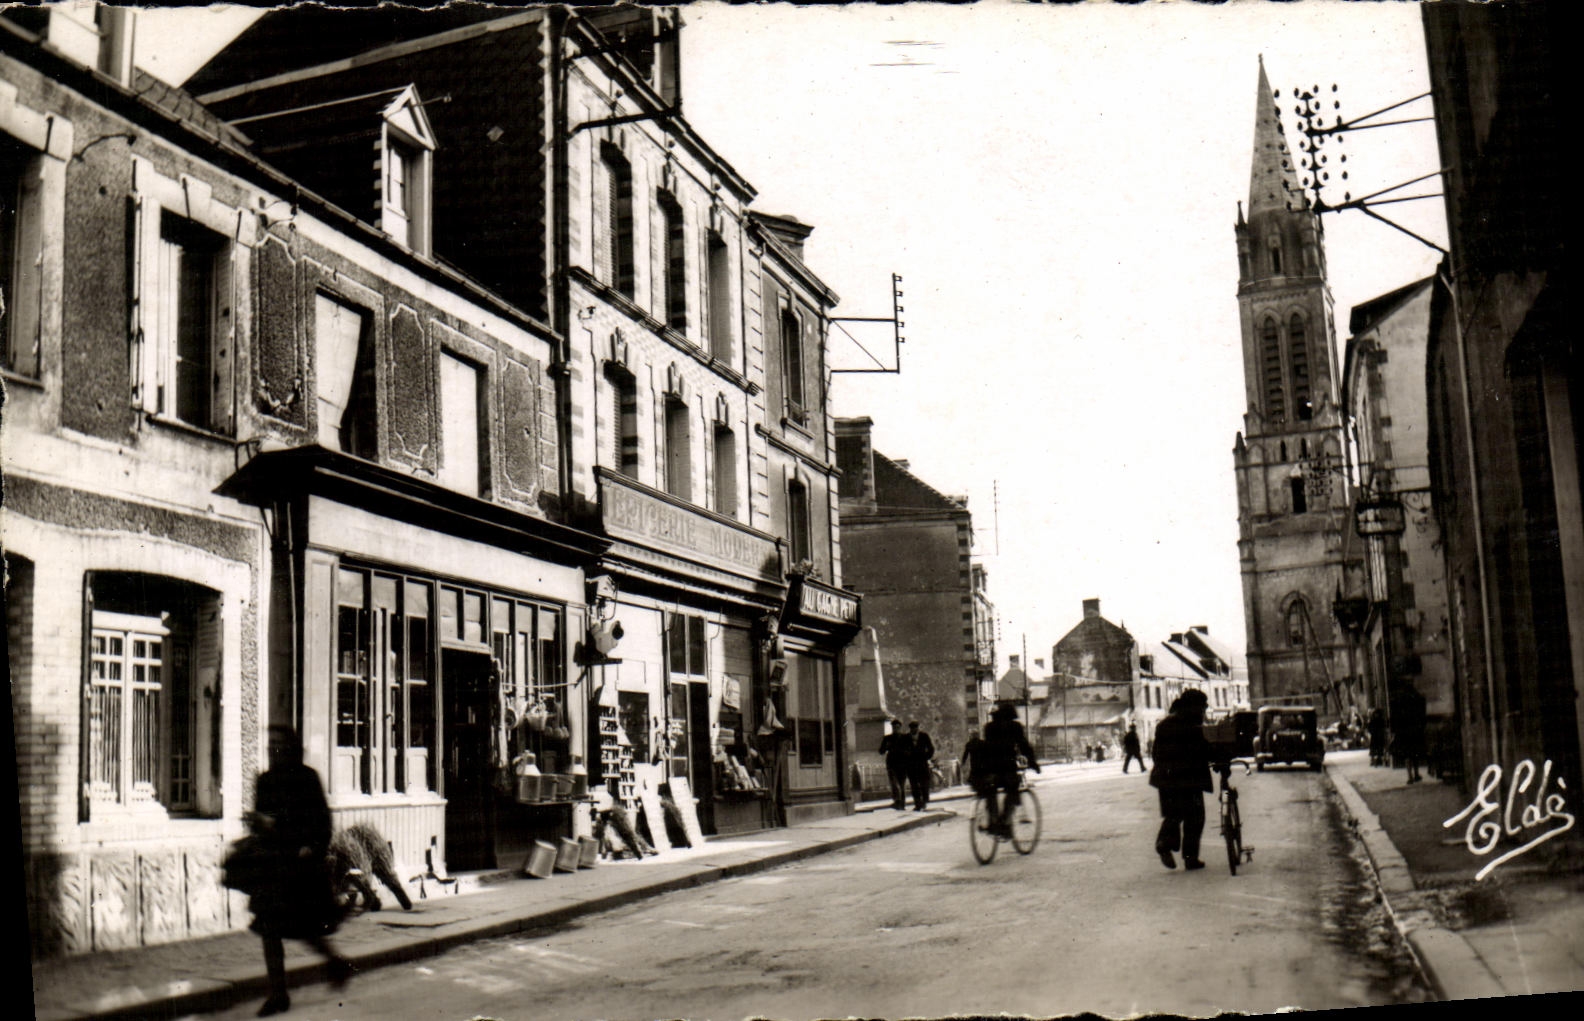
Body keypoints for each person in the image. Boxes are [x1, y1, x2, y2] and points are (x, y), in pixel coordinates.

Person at [249, 725, 353, 1016]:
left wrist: (312, 846)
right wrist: (258, 823)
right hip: (274, 865)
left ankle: (335, 964)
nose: (273, 749)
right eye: (269, 744)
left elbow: (323, 823)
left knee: (304, 930)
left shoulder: (307, 778)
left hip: (300, 868)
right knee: (270, 930)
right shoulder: (265, 780)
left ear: (291, 747)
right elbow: (262, 818)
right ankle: (278, 994)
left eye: (278, 744)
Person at [1148, 689, 1216, 871]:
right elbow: (1202, 749)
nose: (1203, 711)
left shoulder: (1164, 724)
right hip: (1189, 779)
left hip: (1167, 779)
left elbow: (1156, 754)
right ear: (1193, 707)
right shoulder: (1191, 725)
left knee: (1174, 814)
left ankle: (1164, 843)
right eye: (1202, 707)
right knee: (1195, 817)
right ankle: (1190, 858)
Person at [979, 703, 1041, 836]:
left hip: (989, 768)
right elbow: (1024, 746)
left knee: (990, 791)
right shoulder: (1015, 727)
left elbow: (986, 748)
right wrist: (1033, 763)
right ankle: (1005, 822)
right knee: (1013, 790)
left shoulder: (989, 727)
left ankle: (993, 821)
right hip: (1007, 767)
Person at [1390, 684, 1427, 784]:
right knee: (1415, 754)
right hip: (1414, 731)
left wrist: (1394, 731)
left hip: (1403, 733)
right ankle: (1416, 774)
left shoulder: (1397, 701)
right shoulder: (1416, 699)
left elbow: (1394, 718)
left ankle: (1409, 776)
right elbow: (1421, 715)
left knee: (1407, 755)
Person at [878, 719, 912, 810]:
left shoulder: (905, 738)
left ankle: (902, 803)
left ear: (900, 728)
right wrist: (886, 747)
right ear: (892, 728)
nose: (895, 729)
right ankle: (897, 801)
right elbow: (881, 751)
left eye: (897, 727)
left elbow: (910, 750)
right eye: (894, 727)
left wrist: (904, 753)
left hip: (903, 764)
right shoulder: (887, 738)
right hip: (892, 764)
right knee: (894, 784)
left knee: (901, 785)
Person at [907, 720, 936, 810]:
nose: (914, 729)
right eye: (912, 728)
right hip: (911, 765)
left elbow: (931, 748)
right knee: (914, 785)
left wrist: (926, 757)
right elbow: (902, 749)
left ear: (918, 728)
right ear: (910, 729)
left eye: (916, 727)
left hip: (922, 764)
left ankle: (924, 801)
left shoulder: (924, 736)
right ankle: (917, 804)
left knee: (924, 784)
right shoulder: (906, 738)